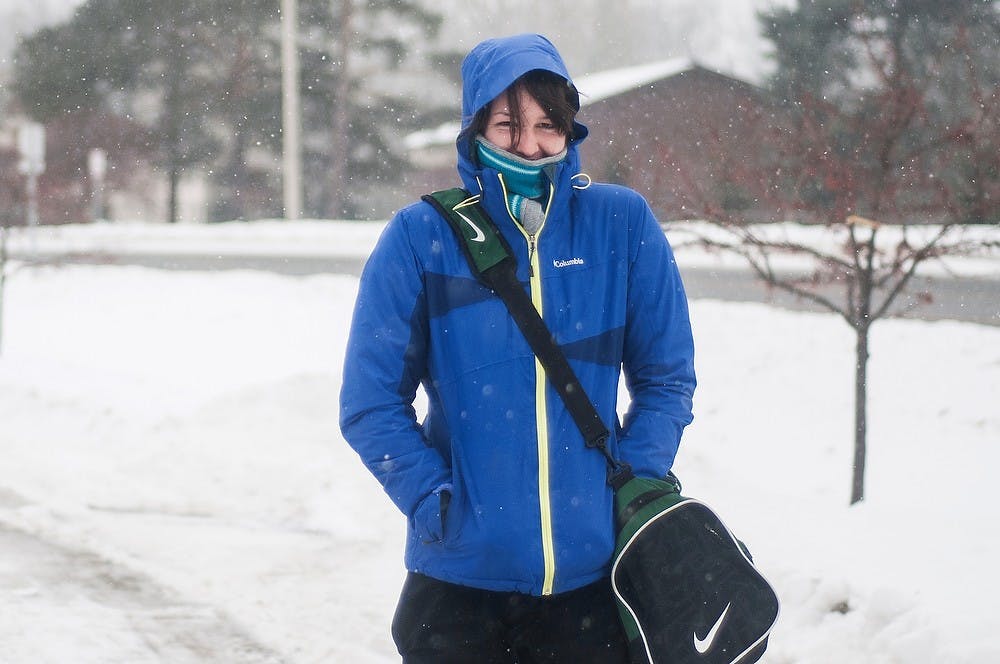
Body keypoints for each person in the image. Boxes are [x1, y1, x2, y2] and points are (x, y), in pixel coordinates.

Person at [340, 33, 696, 663]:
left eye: (546, 125)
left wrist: (633, 481)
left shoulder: (621, 225)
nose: (528, 145)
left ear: (569, 129)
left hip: (592, 586)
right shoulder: (422, 238)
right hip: (458, 586)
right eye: (507, 124)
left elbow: (666, 379)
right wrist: (432, 502)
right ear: (475, 125)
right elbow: (370, 403)